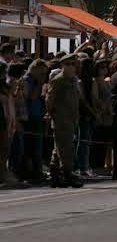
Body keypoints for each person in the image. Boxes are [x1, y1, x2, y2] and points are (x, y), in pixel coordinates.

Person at [46, 54, 83, 188]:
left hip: (71, 117)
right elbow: (50, 99)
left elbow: (76, 101)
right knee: (66, 148)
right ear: (62, 66)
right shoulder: (58, 80)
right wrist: (51, 114)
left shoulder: (73, 80)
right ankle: (67, 173)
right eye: (68, 64)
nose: (71, 67)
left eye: (73, 64)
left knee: (59, 147)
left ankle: (54, 174)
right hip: (61, 118)